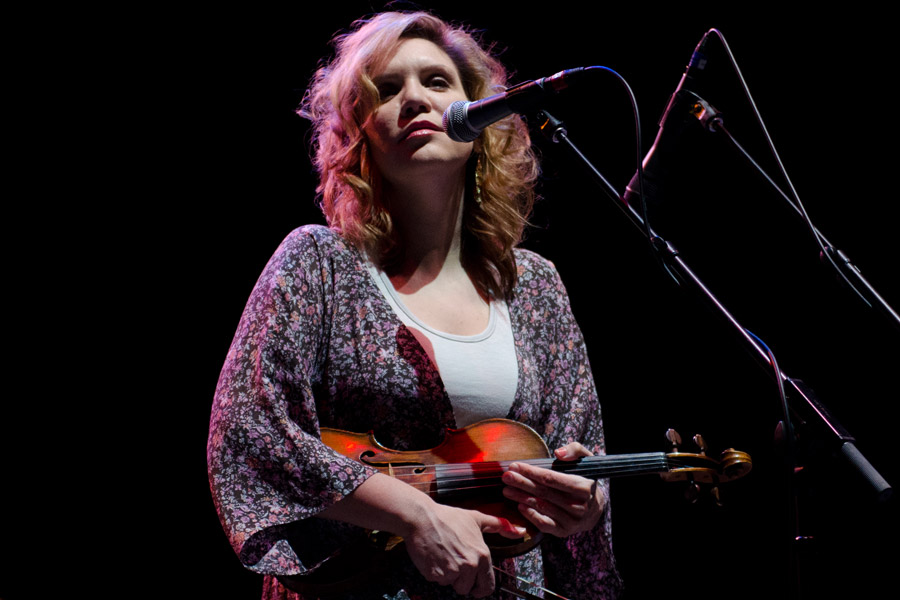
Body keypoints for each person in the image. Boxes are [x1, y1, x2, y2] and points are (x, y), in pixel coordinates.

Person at [208, 10, 623, 600]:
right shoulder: (318, 263)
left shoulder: (534, 286)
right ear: (359, 132)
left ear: (481, 115)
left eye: (436, 81)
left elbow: (580, 451)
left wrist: (584, 502)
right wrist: (414, 513)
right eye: (386, 89)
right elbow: (251, 430)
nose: (413, 99)